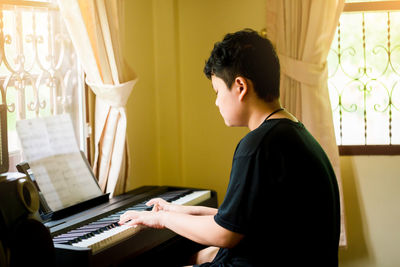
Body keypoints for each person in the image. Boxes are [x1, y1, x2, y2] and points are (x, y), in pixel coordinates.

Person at [119, 28, 341, 266]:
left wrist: (162, 219)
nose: (216, 102)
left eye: (217, 92)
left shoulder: (258, 146)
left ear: (240, 86)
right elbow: (240, 220)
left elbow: (224, 233)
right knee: (189, 256)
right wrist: (177, 212)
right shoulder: (293, 132)